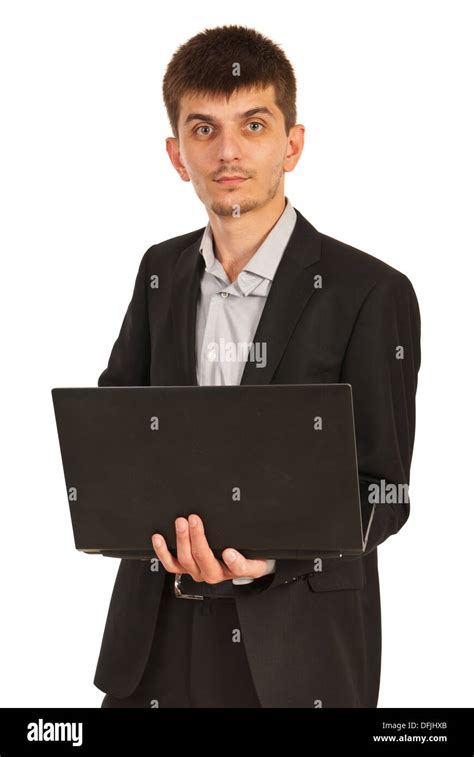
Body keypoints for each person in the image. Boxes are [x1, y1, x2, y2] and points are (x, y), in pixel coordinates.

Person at [95, 24, 421, 708]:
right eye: (203, 129)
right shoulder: (160, 271)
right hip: (156, 642)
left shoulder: (370, 292)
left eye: (253, 123)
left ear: (292, 144)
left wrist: (276, 554)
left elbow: (385, 492)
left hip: (295, 655)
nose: (229, 151)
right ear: (176, 154)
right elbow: (115, 432)